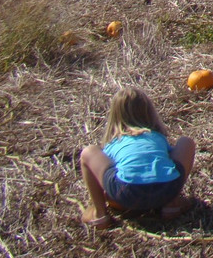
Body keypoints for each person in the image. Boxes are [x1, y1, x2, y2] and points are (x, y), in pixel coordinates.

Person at [79, 86, 196, 230]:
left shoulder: (114, 143)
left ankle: (100, 214)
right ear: (149, 113)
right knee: (186, 142)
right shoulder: (157, 137)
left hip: (125, 192)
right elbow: (170, 158)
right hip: (168, 189)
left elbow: (103, 170)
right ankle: (171, 204)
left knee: (88, 152)